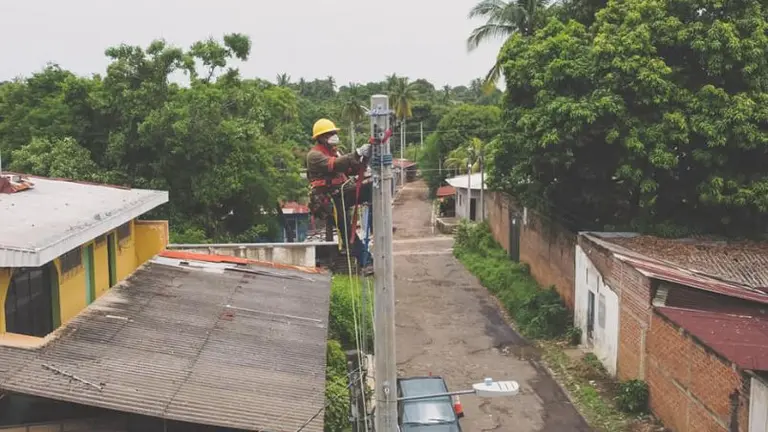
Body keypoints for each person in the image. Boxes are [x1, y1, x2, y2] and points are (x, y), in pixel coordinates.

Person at [306, 118, 374, 274]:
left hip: (343, 194)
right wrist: (356, 153)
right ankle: (366, 262)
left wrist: (365, 157)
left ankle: (378, 226)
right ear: (322, 137)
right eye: (331, 134)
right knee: (347, 232)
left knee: (373, 190)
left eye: (334, 133)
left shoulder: (335, 152)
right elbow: (336, 165)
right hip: (329, 200)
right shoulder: (314, 156)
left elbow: (350, 169)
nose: (334, 136)